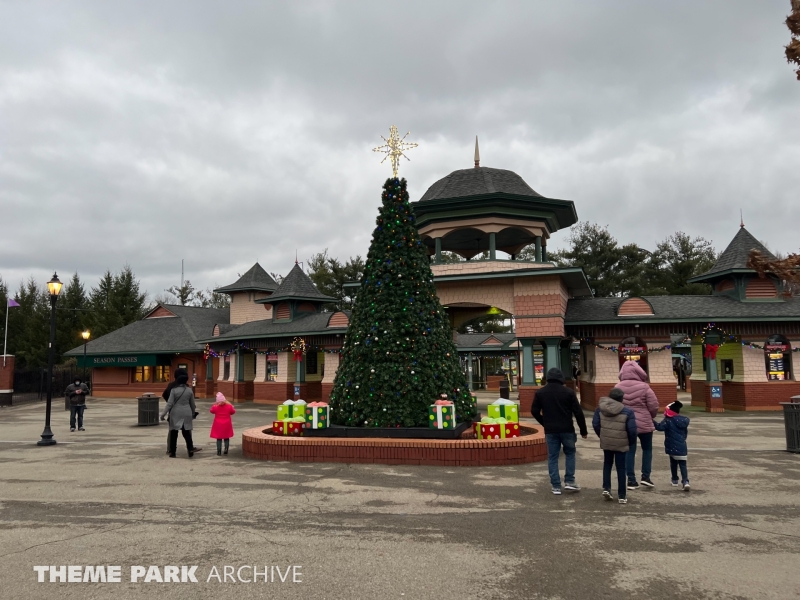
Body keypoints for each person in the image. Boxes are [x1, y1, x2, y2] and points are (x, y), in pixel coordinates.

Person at [531, 367, 589, 495]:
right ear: (561, 378)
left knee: (552, 457)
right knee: (570, 454)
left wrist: (544, 422)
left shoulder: (540, 393)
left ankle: (556, 486)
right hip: (567, 429)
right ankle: (570, 481)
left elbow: (534, 411)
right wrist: (583, 430)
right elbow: (578, 413)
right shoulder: (569, 392)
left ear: (548, 378)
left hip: (550, 430)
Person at [616, 360, 659, 490]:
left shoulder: (617, 387)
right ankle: (646, 477)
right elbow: (654, 405)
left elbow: (615, 406)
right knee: (647, 450)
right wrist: (650, 417)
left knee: (630, 451)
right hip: (645, 423)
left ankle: (631, 480)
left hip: (626, 423)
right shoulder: (645, 387)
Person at [592, 388, 638, 504]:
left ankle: (606, 488)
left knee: (607, 464)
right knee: (621, 468)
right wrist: (630, 442)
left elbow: (596, 424)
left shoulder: (600, 409)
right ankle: (622, 495)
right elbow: (632, 430)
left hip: (606, 441)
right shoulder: (628, 412)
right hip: (621, 442)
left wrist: (602, 435)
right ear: (621, 399)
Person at [654, 400, 691, 491]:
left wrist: (651, 421)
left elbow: (659, 427)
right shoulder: (684, 421)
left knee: (673, 462)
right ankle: (685, 481)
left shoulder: (668, 420)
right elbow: (685, 433)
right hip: (682, 445)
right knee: (683, 464)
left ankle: (675, 479)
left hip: (671, 445)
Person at [162, 369, 201, 454]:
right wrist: (193, 412)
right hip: (186, 411)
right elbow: (192, 403)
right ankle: (190, 447)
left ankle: (170, 449)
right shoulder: (186, 387)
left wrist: (171, 404)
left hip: (174, 410)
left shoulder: (171, 385)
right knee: (187, 430)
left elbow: (164, 395)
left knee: (172, 431)